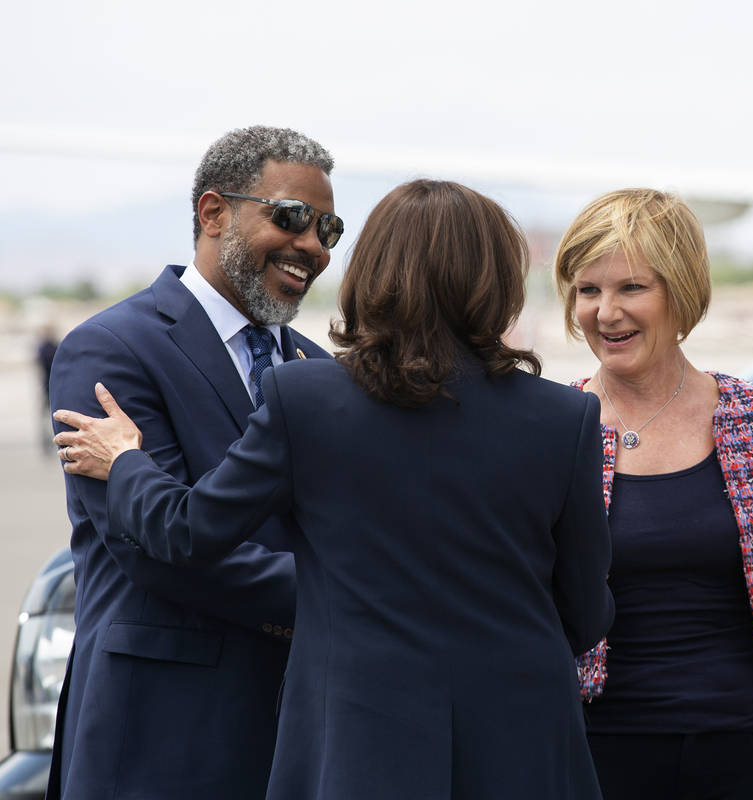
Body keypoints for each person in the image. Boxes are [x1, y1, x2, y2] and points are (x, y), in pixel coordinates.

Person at [54, 179, 615, 800]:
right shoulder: (568, 418)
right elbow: (586, 611)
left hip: (362, 738)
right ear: (498, 280)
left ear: (373, 272)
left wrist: (127, 462)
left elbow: (187, 531)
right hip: (524, 735)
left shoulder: (307, 398)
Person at [46, 125, 338, 800]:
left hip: (300, 740)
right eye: (292, 218)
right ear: (213, 213)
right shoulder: (111, 350)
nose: (313, 248)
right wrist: (338, 597)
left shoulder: (319, 372)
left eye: (329, 228)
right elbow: (152, 547)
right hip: (159, 734)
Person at [552, 188, 753, 799]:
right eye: (588, 291)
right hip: (599, 747)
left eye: (632, 288)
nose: (606, 312)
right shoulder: (550, 426)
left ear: (682, 289)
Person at [35, 323, 58, 453]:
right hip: (51, 387)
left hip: (46, 387)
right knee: (51, 417)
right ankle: (49, 441)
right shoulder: (55, 346)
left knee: (45, 417)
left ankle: (47, 442)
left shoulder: (43, 348)